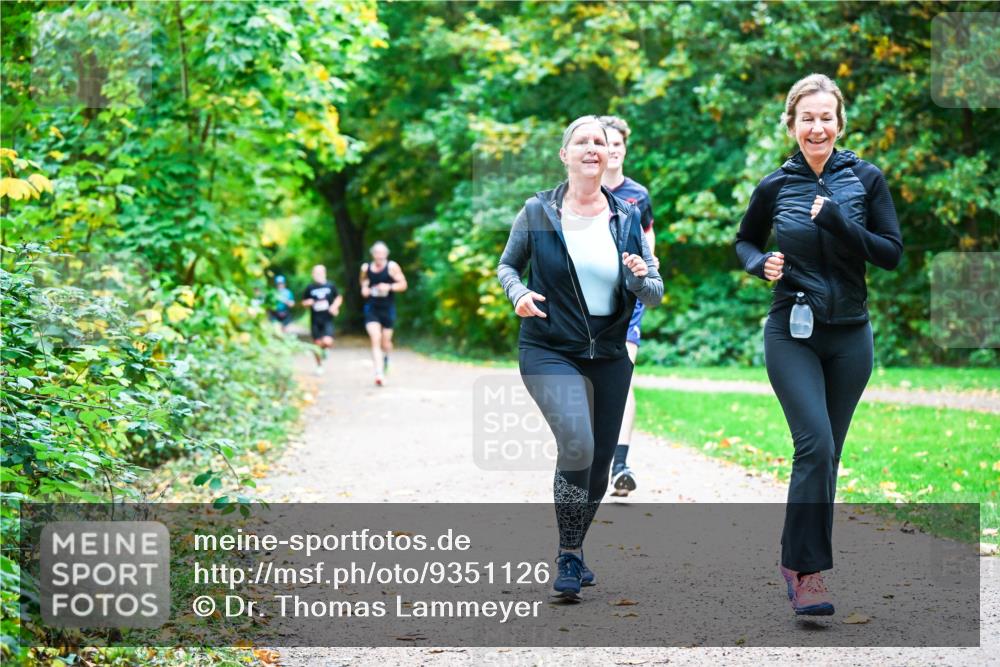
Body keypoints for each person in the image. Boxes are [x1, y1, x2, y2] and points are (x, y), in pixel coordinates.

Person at [734, 74, 902, 616]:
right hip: (792, 330)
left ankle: (794, 558)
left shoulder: (867, 180)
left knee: (828, 458)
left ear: (839, 123)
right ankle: (809, 575)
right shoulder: (774, 186)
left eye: (826, 117)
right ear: (791, 124)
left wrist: (836, 221)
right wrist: (761, 264)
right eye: (807, 117)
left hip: (851, 334)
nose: (817, 126)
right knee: (817, 446)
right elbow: (743, 240)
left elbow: (891, 253)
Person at [497, 115, 663, 600]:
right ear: (565, 155)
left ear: (612, 154)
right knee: (577, 440)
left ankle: (574, 546)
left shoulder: (627, 216)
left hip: (610, 354)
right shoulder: (537, 211)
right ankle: (569, 553)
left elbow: (653, 291)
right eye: (583, 141)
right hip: (548, 346)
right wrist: (517, 293)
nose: (593, 148)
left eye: (601, 142)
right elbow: (509, 264)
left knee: (597, 464)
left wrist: (637, 277)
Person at [599, 115, 658, 498]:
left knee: (624, 373)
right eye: (606, 144)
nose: (613, 150)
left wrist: (647, 276)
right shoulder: (575, 194)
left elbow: (650, 243)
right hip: (585, 300)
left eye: (618, 144)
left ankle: (620, 464)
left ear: (624, 148)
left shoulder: (638, 194)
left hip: (627, 298)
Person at [360, 241, 407, 387]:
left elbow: (403, 285)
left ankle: (386, 357)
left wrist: (389, 286)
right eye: (377, 253)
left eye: (382, 254)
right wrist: (365, 290)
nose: (379, 256)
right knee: (375, 338)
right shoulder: (366, 268)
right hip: (372, 308)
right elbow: (363, 284)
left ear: (386, 254)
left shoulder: (392, 267)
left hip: (387, 309)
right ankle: (378, 373)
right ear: (373, 254)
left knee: (385, 342)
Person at [301, 264, 343, 374]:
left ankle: (325, 350)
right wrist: (308, 302)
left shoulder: (330, 286)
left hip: (327, 319)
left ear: (324, 273)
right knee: (316, 345)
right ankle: (319, 366)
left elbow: (338, 297)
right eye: (315, 273)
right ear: (312, 274)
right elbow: (303, 302)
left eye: (320, 273)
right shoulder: (310, 288)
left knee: (327, 342)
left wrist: (334, 306)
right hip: (315, 320)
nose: (317, 275)